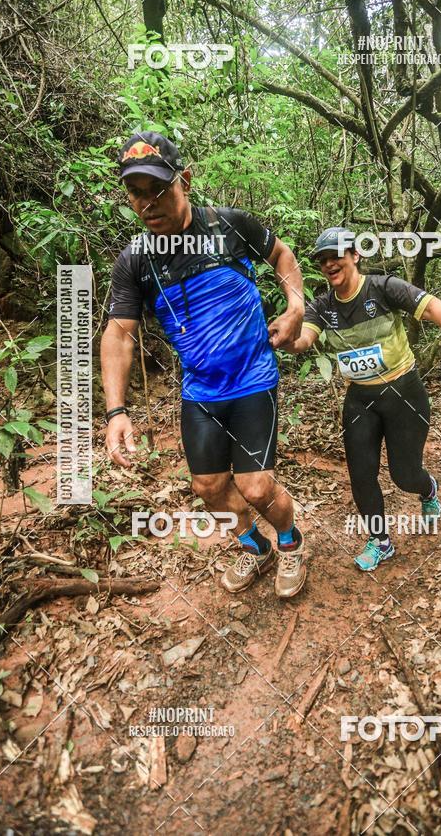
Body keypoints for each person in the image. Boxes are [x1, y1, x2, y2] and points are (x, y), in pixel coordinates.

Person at [101, 132, 307, 598]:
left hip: (253, 377)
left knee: (255, 487)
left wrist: (296, 306)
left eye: (157, 189)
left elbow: (282, 256)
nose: (147, 203)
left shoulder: (229, 227)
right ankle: (256, 549)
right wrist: (116, 411)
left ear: (185, 181)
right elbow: (119, 333)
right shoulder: (135, 261)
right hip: (202, 391)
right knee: (208, 486)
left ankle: (291, 543)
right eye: (135, 193)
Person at [283, 227, 441, 572]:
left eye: (336, 255)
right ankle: (381, 541)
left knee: (405, 475)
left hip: (404, 393)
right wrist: (285, 335)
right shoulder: (322, 306)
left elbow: (431, 307)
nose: (330, 264)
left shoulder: (383, 287)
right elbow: (303, 341)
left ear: (355, 255)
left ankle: (428, 488)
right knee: (361, 475)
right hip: (360, 399)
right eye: (323, 259)